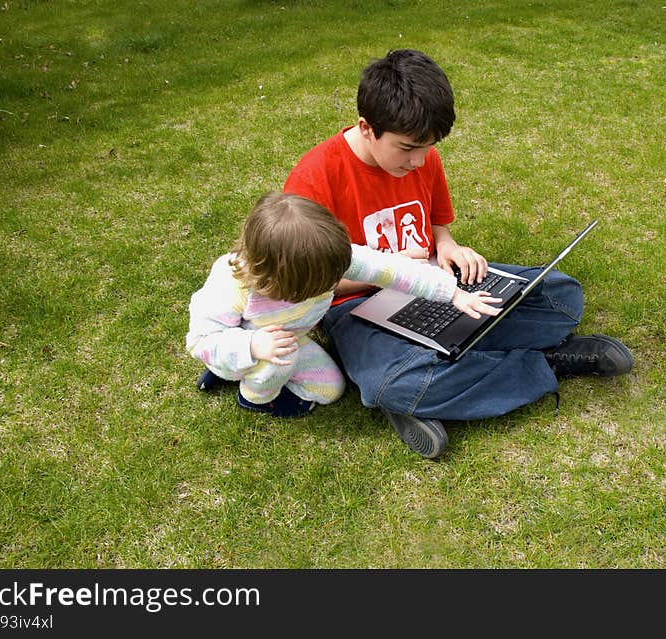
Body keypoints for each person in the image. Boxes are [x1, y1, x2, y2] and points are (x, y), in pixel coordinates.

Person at [283, 49, 633, 457]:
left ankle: (442, 367)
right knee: (390, 383)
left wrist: (448, 247)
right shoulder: (314, 178)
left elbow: (437, 227)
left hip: (437, 281)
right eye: (407, 148)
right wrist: (388, 273)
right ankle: (546, 363)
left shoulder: (423, 158)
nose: (418, 161)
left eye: (428, 148)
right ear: (367, 127)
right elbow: (307, 283)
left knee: (560, 297)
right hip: (356, 306)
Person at [185, 191, 501, 425]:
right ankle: (253, 396)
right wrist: (252, 345)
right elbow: (201, 340)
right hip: (243, 345)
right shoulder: (232, 285)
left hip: (288, 340)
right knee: (281, 359)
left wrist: (452, 293)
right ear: (283, 280)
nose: (333, 284)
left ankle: (247, 373)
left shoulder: (324, 256)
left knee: (330, 389)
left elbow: (392, 270)